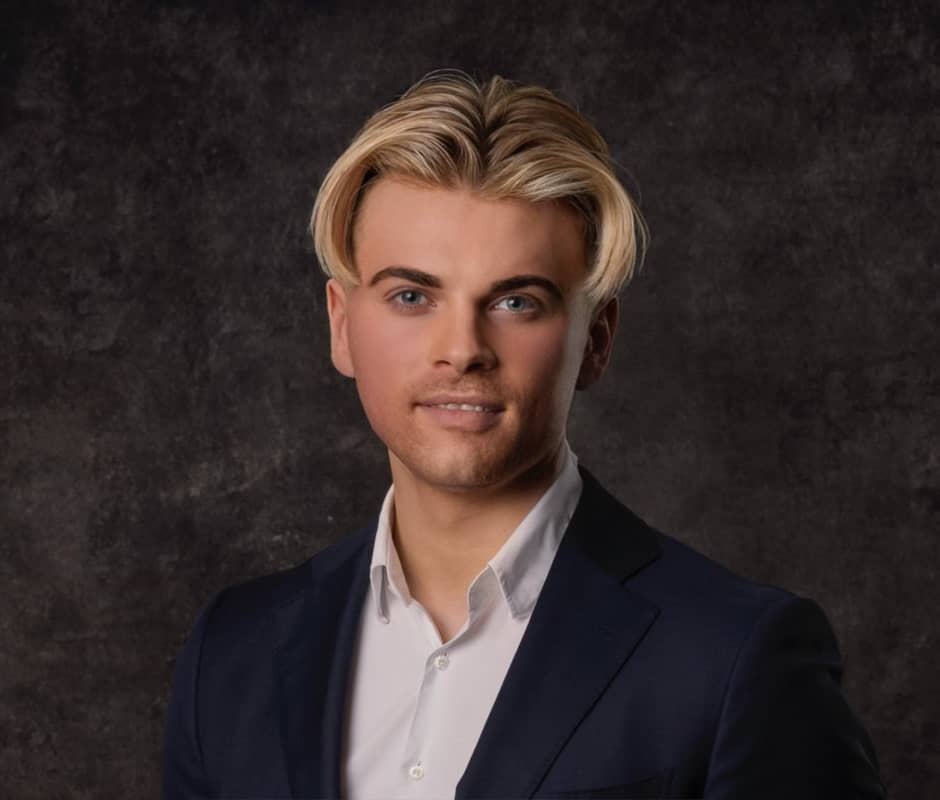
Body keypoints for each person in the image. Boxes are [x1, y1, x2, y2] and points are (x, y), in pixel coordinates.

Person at [162, 71, 885, 799]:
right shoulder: (235, 650)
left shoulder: (736, 656)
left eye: (516, 301)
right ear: (342, 325)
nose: (462, 348)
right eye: (412, 296)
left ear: (596, 339)